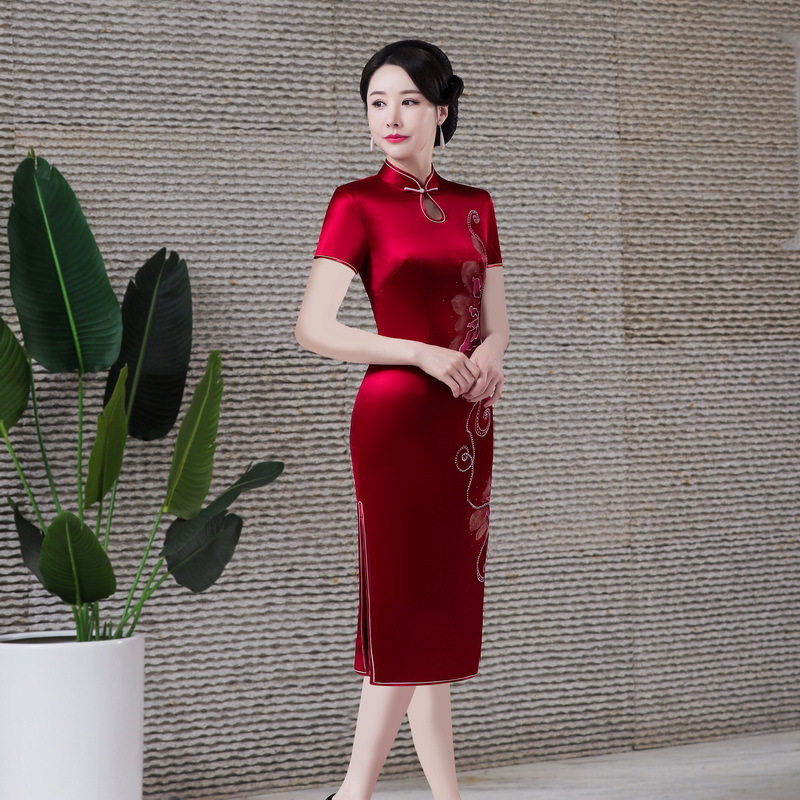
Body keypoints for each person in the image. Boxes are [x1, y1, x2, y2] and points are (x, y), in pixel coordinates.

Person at [294, 39, 510, 800]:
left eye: (409, 101)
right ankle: (353, 793)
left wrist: (492, 357)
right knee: (405, 609)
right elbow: (314, 327)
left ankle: (445, 795)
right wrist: (418, 352)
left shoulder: (476, 204)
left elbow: (496, 322)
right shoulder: (357, 202)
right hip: (394, 422)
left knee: (437, 610)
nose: (390, 116)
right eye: (377, 102)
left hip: (464, 423)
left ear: (441, 110)